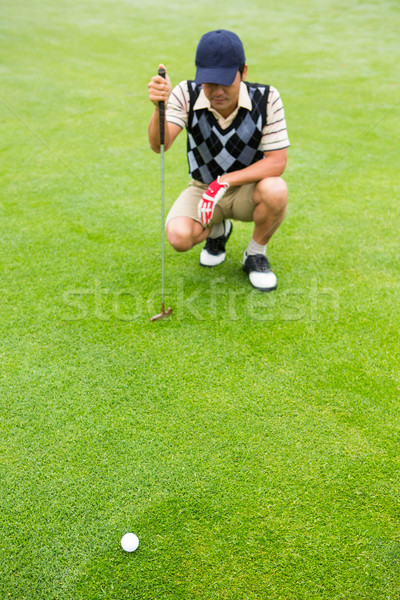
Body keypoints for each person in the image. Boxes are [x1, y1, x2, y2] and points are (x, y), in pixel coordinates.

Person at [147, 29, 289, 292]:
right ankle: (217, 233)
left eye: (225, 81)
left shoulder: (267, 98)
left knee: (276, 189)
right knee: (178, 237)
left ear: (243, 72)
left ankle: (255, 253)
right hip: (202, 189)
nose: (216, 91)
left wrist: (223, 182)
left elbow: (277, 162)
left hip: (248, 190)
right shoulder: (186, 93)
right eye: (209, 82)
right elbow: (159, 144)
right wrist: (160, 107)